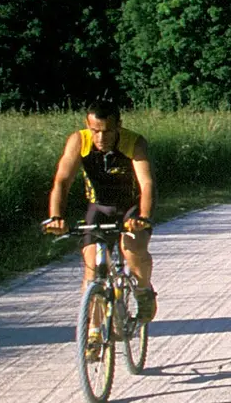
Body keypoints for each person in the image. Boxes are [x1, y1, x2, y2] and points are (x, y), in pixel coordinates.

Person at [44, 101, 157, 321]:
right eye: (95, 131)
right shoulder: (79, 141)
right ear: (87, 126)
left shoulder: (134, 142)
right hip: (99, 207)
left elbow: (147, 184)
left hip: (131, 208)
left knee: (133, 250)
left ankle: (144, 292)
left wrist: (143, 217)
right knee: (93, 270)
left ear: (119, 127)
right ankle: (93, 334)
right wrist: (56, 217)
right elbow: (62, 181)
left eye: (107, 131)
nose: (100, 138)